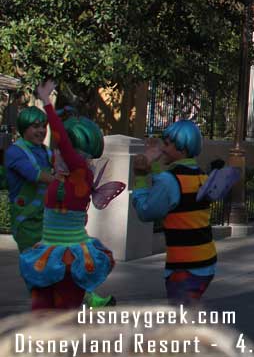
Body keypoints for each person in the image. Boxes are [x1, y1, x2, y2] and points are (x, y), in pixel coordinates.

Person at [19, 80, 116, 310]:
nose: (55, 150)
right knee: (41, 311)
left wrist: (47, 103)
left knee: (63, 313)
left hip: (67, 257)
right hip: (49, 251)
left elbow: (61, 138)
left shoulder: (79, 170)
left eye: (60, 148)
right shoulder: (64, 176)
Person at [131, 120, 217, 305]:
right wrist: (153, 166)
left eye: (168, 144)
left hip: (185, 267)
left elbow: (147, 211)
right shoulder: (201, 176)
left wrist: (139, 178)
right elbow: (167, 190)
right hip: (206, 262)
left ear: (182, 148)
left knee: (181, 321)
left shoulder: (170, 180)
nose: (163, 149)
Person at [4, 107, 56, 252]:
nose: (41, 131)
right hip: (26, 221)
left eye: (44, 126)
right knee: (34, 264)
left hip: (47, 217)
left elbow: (63, 166)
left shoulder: (46, 151)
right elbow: (35, 174)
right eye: (35, 126)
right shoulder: (14, 152)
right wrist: (63, 182)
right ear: (24, 128)